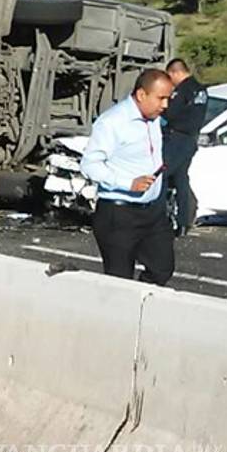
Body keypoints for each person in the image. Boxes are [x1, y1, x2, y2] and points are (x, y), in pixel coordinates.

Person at [80, 69, 174, 285]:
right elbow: (89, 165)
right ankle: (121, 315)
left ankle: (140, 308)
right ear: (141, 95)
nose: (165, 105)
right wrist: (128, 183)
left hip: (152, 212)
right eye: (161, 98)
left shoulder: (154, 119)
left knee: (162, 268)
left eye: (168, 98)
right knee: (120, 281)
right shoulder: (112, 122)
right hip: (119, 213)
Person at [162, 58, 206, 236]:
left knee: (161, 175)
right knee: (181, 179)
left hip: (176, 138)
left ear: (175, 73)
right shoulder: (200, 89)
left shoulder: (182, 90)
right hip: (191, 139)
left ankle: (156, 218)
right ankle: (183, 221)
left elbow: (170, 112)